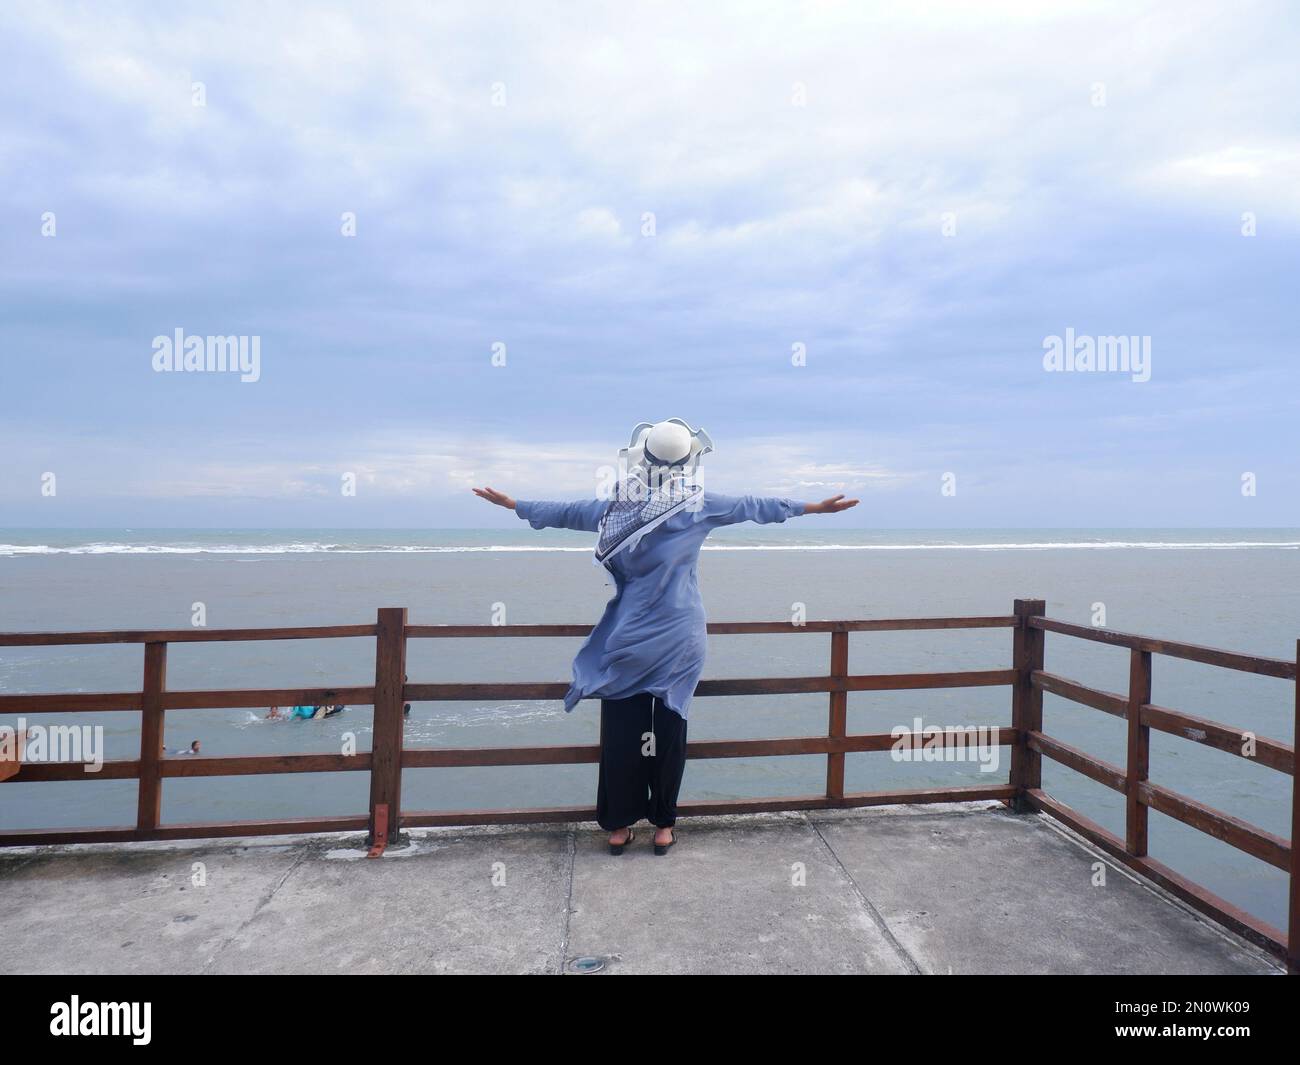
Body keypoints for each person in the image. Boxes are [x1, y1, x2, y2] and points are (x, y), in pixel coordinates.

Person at [473, 418, 858, 856]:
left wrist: (515, 504)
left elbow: (565, 512)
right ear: (689, 460)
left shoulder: (617, 507)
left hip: (630, 637)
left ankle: (618, 828)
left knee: (622, 731)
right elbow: (755, 505)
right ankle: (663, 828)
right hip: (680, 634)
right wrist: (814, 508)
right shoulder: (698, 503)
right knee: (670, 729)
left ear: (642, 457)